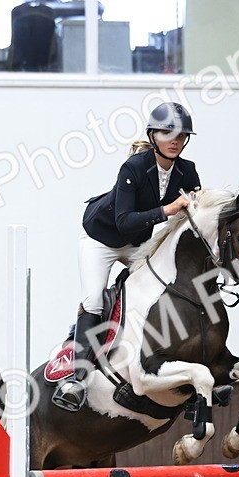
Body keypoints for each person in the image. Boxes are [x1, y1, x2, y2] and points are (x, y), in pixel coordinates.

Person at [52, 101, 202, 412]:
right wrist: (167, 210)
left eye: (181, 135)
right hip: (102, 239)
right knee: (93, 299)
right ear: (153, 135)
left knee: (162, 290)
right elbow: (123, 221)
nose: (175, 140)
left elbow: (195, 213)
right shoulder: (133, 168)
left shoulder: (187, 170)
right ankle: (76, 378)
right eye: (167, 133)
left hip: (138, 242)